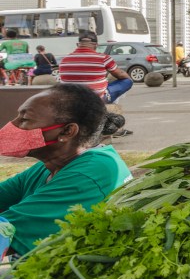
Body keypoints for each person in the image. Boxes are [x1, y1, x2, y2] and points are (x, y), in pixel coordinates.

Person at [0, 83, 131, 256]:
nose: (13, 126)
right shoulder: (51, 165)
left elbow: (6, 234)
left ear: (67, 131)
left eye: (25, 120)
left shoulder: (88, 175)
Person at [58, 31, 133, 105]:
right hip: (96, 101)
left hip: (71, 100)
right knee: (127, 81)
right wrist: (128, 79)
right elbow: (120, 75)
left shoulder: (64, 60)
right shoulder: (103, 58)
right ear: (96, 45)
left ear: (78, 44)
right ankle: (109, 102)